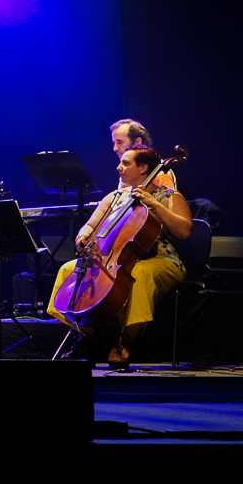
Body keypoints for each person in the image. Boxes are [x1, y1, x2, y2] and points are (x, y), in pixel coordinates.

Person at [48, 145, 190, 369]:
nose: (118, 167)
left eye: (125, 163)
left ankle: (125, 341)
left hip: (161, 259)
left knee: (140, 274)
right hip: (115, 259)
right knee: (68, 269)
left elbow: (184, 231)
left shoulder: (169, 196)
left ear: (143, 168)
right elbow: (91, 225)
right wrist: (83, 236)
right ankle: (86, 336)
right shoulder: (114, 198)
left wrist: (153, 204)